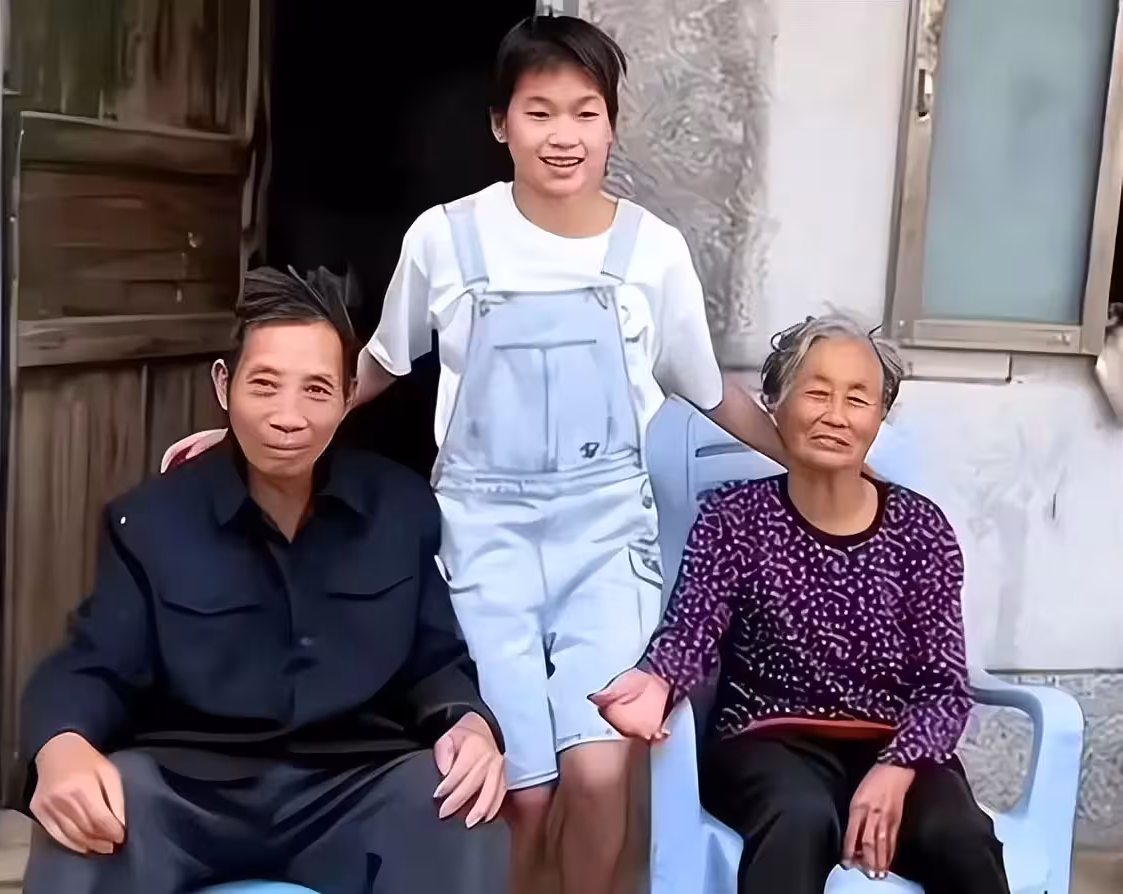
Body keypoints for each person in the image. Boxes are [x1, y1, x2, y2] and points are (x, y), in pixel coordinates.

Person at [168, 16, 787, 894]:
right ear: (501, 123)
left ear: (612, 126)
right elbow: (378, 365)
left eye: (585, 113)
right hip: (480, 538)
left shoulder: (651, 250)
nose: (564, 136)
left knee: (599, 770)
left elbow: (708, 389)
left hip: (606, 539)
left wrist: (814, 457)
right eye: (540, 112)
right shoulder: (446, 238)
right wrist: (254, 433)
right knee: (520, 790)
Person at [18, 267, 509, 894]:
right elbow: (94, 664)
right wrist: (61, 747)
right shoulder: (150, 521)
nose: (288, 417)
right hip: (187, 795)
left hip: (353, 791)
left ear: (349, 395)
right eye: (265, 385)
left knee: (458, 810)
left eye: (316, 390)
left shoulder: (399, 508)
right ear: (224, 385)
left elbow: (434, 660)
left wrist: (467, 723)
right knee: (83, 816)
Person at [593, 315, 1011, 894]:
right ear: (775, 404)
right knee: (799, 819)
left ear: (879, 418)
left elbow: (944, 687)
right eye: (816, 392)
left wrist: (897, 766)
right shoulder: (735, 519)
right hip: (767, 739)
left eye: (857, 399)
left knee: (961, 835)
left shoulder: (920, 529)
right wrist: (656, 681)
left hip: (892, 741)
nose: (835, 415)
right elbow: (692, 629)